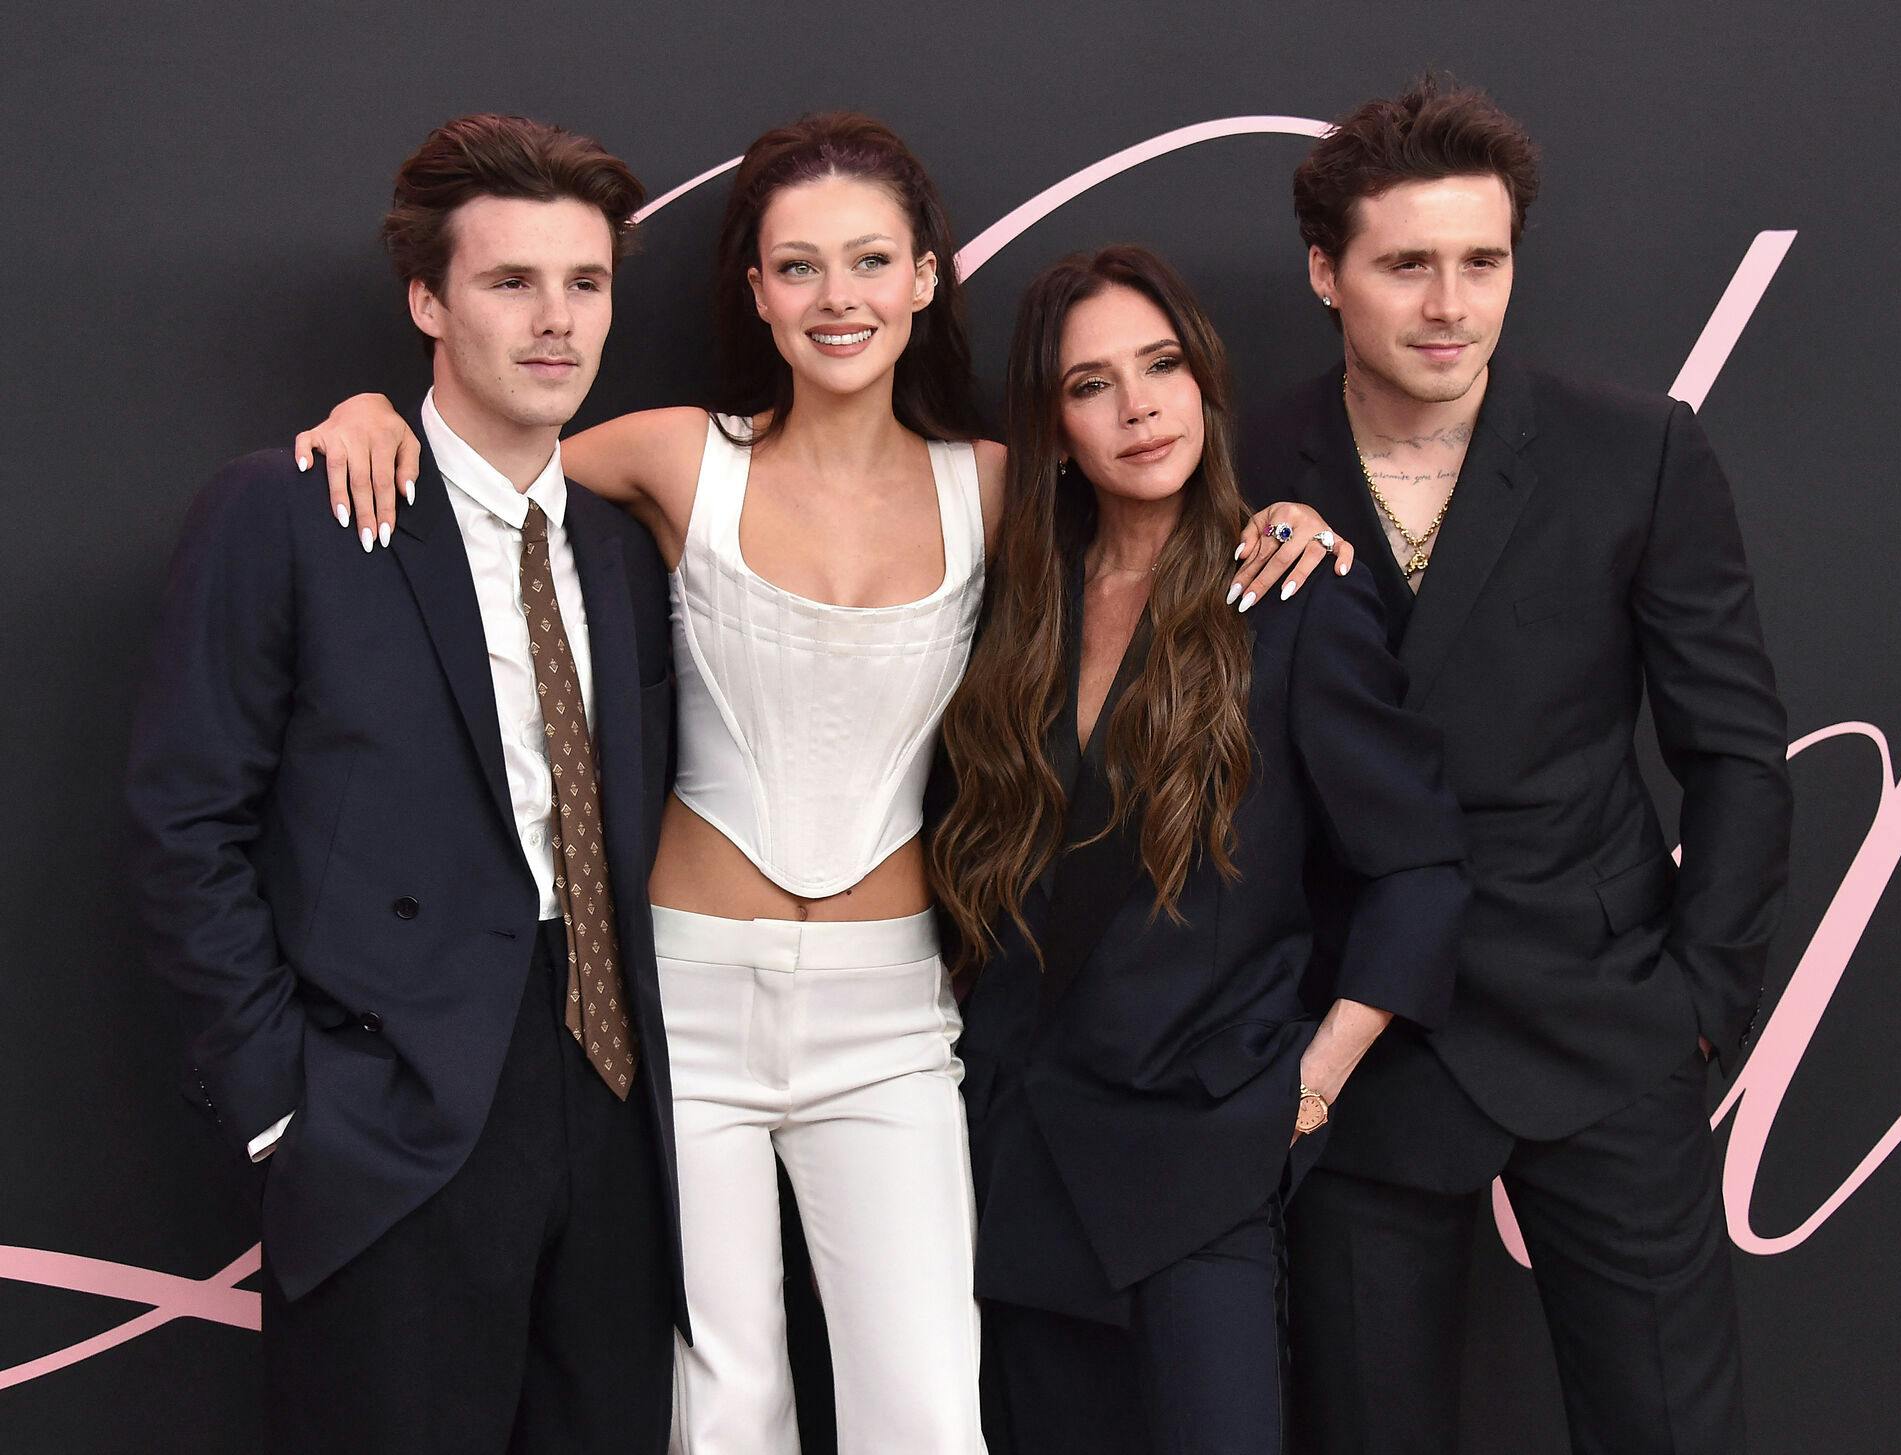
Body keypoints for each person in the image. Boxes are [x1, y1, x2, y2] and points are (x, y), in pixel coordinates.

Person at [296, 114, 1351, 1455]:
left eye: (869, 261)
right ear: (756, 292)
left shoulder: (1003, 490)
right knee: (723, 1407)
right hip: (684, 999)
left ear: (925, 277)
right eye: (798, 267)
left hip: (893, 1016)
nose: (837, 297)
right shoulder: (680, 455)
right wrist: (367, 404)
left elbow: (1169, 516)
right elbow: (486, 454)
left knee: (924, 1406)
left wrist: (1289, 520)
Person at [125, 114, 684, 1452]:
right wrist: (279, 1107)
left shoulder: (621, 545)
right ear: (427, 299)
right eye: (510, 282)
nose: (557, 321)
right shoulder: (291, 509)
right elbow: (180, 820)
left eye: (586, 282)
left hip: (614, 1101)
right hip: (392, 1108)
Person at [1262, 79, 1794, 1455]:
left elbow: (1736, 755)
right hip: (1365, 1044)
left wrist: (1692, 1004)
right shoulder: (1243, 463)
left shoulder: (1640, 455)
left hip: (1602, 1026)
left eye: (1482, 262)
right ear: (1327, 273)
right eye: (1406, 265)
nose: (1449, 303)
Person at [928, 244, 1468, 1455]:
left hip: (1201, 1147)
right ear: (1053, 427)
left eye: (1162, 364)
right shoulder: (1012, 601)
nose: (1139, 407)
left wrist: (1313, 1083)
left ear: (1206, 382)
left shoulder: (1292, 590)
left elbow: (1418, 870)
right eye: (1091, 384)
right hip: (1017, 1149)